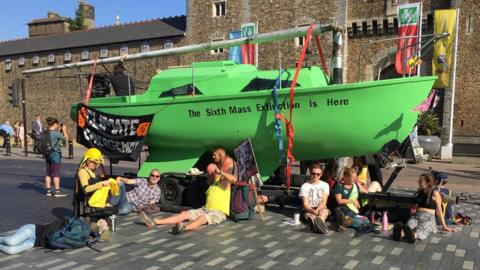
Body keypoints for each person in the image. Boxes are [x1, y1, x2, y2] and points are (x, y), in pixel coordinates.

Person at [138, 147, 237, 234]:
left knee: (202, 219)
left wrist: (221, 172)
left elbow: (233, 179)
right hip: (205, 209)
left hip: (218, 213)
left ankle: (183, 228)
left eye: (211, 172)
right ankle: (155, 221)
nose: (209, 174)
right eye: (208, 172)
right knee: (184, 214)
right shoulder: (211, 184)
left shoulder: (224, 182)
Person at [392, 173, 456, 243]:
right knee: (410, 224)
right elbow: (417, 205)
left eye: (420, 181)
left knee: (423, 228)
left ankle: (414, 236)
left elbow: (439, 211)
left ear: (428, 183)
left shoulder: (435, 193)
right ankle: (400, 234)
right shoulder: (420, 192)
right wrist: (413, 209)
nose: (418, 182)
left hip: (428, 217)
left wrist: (444, 226)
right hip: (416, 216)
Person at [0, 218, 108, 255]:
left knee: (11, 251)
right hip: (33, 230)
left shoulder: (81, 239)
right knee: (11, 241)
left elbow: (88, 242)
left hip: (34, 243)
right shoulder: (71, 222)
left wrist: (99, 233)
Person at [333, 167, 371, 232]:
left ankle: (343, 222)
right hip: (342, 208)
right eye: (353, 177)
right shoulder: (339, 186)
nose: (355, 179)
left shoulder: (356, 185)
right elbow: (339, 201)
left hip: (352, 210)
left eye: (355, 177)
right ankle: (344, 220)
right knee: (358, 221)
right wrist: (352, 200)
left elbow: (365, 191)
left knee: (365, 220)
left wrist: (362, 185)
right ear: (346, 177)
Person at [299, 163, 330, 234]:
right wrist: (313, 211)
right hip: (309, 209)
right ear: (310, 173)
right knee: (309, 216)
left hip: (321, 208)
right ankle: (317, 225)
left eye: (318, 174)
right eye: (313, 173)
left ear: (321, 174)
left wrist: (318, 210)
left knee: (323, 212)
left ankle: (318, 222)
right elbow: (305, 204)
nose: (315, 176)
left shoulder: (325, 185)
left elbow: (324, 201)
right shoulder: (304, 186)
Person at [44, 117, 68, 197]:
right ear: (55, 124)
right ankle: (57, 191)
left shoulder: (45, 132)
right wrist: (64, 130)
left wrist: (60, 131)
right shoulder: (55, 133)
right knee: (56, 173)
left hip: (47, 154)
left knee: (48, 173)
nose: (58, 126)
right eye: (57, 124)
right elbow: (66, 138)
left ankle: (48, 190)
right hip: (55, 155)